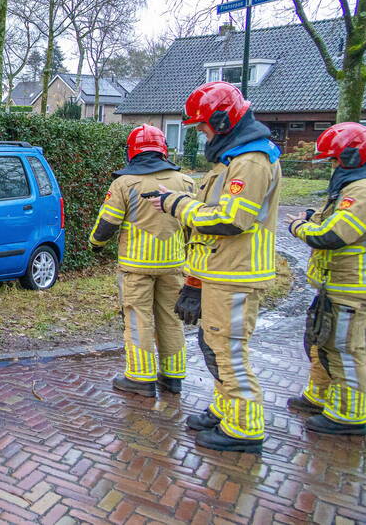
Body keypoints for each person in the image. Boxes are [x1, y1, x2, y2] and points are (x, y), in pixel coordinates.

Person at [152, 82, 281, 454]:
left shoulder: (251, 162)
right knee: (214, 346)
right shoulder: (234, 160)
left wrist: (177, 205)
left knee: (229, 351)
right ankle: (226, 410)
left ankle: (244, 428)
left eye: (204, 125)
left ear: (223, 120)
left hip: (237, 274)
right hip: (220, 271)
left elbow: (231, 219)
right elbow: (216, 207)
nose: (202, 132)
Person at [89, 124, 194, 397]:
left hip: (137, 267)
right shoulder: (186, 182)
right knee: (172, 319)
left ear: (131, 152)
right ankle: (173, 377)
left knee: (138, 319)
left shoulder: (124, 183)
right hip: (174, 265)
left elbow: (107, 224)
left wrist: (95, 244)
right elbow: (194, 225)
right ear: (163, 150)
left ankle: (140, 377)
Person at [285, 122, 366, 435]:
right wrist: (310, 217)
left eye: (333, 161)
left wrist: (299, 229)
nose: (331, 167)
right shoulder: (349, 189)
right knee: (324, 344)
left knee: (345, 349)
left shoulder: (360, 190)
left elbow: (332, 235)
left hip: (352, 288)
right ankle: (320, 396)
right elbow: (329, 219)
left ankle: (349, 415)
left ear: (349, 158)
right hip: (336, 285)